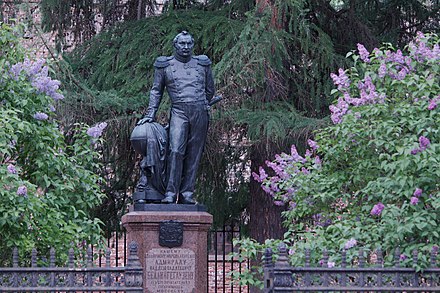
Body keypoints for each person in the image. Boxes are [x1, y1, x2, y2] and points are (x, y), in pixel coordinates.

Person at [137, 31, 215, 204]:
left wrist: (203, 104)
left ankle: (187, 193)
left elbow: (210, 89)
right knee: (175, 150)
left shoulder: (202, 64)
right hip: (179, 111)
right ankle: (170, 193)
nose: (186, 47)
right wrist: (151, 114)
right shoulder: (164, 65)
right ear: (175, 45)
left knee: (194, 153)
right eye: (182, 44)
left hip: (200, 112)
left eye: (189, 44)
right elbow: (156, 91)